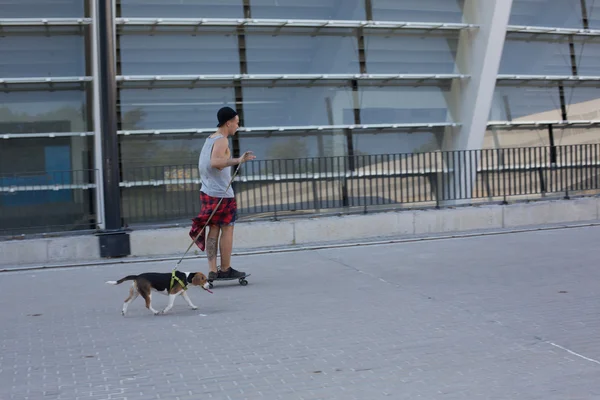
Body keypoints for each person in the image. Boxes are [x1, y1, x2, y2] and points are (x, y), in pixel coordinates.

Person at [189, 106, 256, 281]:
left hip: (208, 191)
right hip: (221, 194)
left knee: (213, 228)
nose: (237, 126)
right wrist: (239, 160)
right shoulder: (222, 140)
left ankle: (212, 270)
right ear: (228, 122)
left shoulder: (210, 139)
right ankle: (225, 269)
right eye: (236, 123)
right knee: (228, 229)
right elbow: (215, 163)